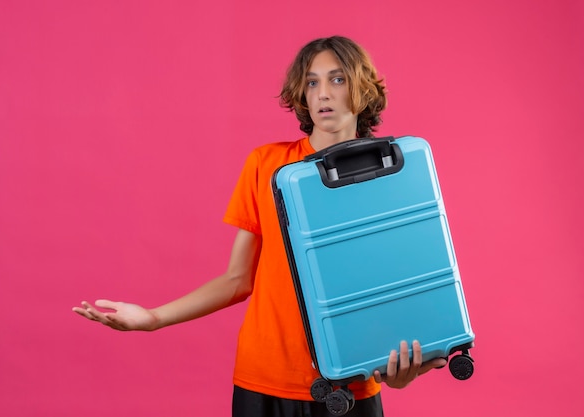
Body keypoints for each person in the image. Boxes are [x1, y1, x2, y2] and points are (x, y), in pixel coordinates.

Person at [73, 35, 446, 417]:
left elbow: (397, 286)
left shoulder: (392, 178)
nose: (322, 93)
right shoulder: (268, 165)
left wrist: (399, 370)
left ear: (363, 88)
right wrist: (152, 319)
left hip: (351, 386)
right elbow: (238, 279)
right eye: (312, 82)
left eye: (337, 79)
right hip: (262, 380)